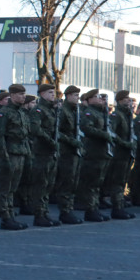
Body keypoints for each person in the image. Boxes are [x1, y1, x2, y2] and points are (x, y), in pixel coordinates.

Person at [0, 84, 30, 230]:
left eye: (24, 94)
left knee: (13, 188)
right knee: (5, 188)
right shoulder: (4, 113)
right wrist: (4, 157)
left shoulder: (21, 113)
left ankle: (10, 215)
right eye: (20, 94)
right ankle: (5, 217)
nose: (23, 97)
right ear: (12, 95)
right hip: (9, 153)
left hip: (20, 153)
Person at [74, 89, 112, 222]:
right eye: (96, 97)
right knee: (91, 184)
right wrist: (104, 135)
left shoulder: (101, 113)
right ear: (89, 100)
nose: (100, 99)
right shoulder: (89, 113)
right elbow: (87, 128)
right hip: (93, 152)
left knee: (97, 183)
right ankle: (90, 210)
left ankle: (95, 208)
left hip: (101, 152)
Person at [27, 84, 61, 226]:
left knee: (48, 184)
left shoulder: (51, 110)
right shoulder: (39, 110)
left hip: (50, 152)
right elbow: (36, 129)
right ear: (42, 94)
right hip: (41, 151)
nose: (53, 95)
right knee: (40, 185)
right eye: (50, 92)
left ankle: (44, 212)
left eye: (54, 92)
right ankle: (39, 214)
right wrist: (50, 141)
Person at [101, 90, 137, 220]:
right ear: (120, 100)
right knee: (117, 182)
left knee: (122, 182)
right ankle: (117, 208)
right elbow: (111, 132)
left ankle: (120, 206)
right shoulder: (117, 115)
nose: (129, 100)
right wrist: (124, 143)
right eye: (126, 98)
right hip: (119, 154)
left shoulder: (127, 115)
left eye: (129, 98)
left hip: (126, 154)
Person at [53, 86, 84, 225]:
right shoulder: (63, 111)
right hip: (66, 152)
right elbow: (56, 131)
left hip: (74, 152)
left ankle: (69, 209)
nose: (78, 98)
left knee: (73, 182)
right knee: (66, 182)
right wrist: (71, 141)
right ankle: (65, 211)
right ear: (68, 96)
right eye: (75, 95)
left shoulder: (74, 110)